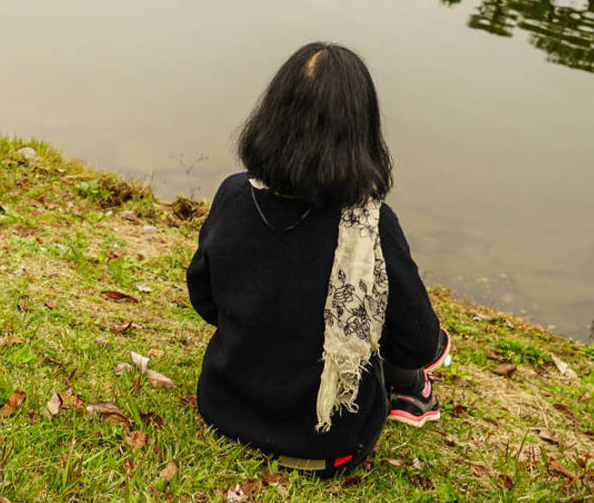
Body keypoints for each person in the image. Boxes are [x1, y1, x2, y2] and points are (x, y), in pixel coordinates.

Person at [187, 42, 450, 477]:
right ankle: (416, 396)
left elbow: (205, 300)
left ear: (272, 115)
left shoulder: (233, 195)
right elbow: (418, 345)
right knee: (393, 336)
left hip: (223, 414)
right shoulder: (372, 225)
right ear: (360, 130)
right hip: (328, 449)